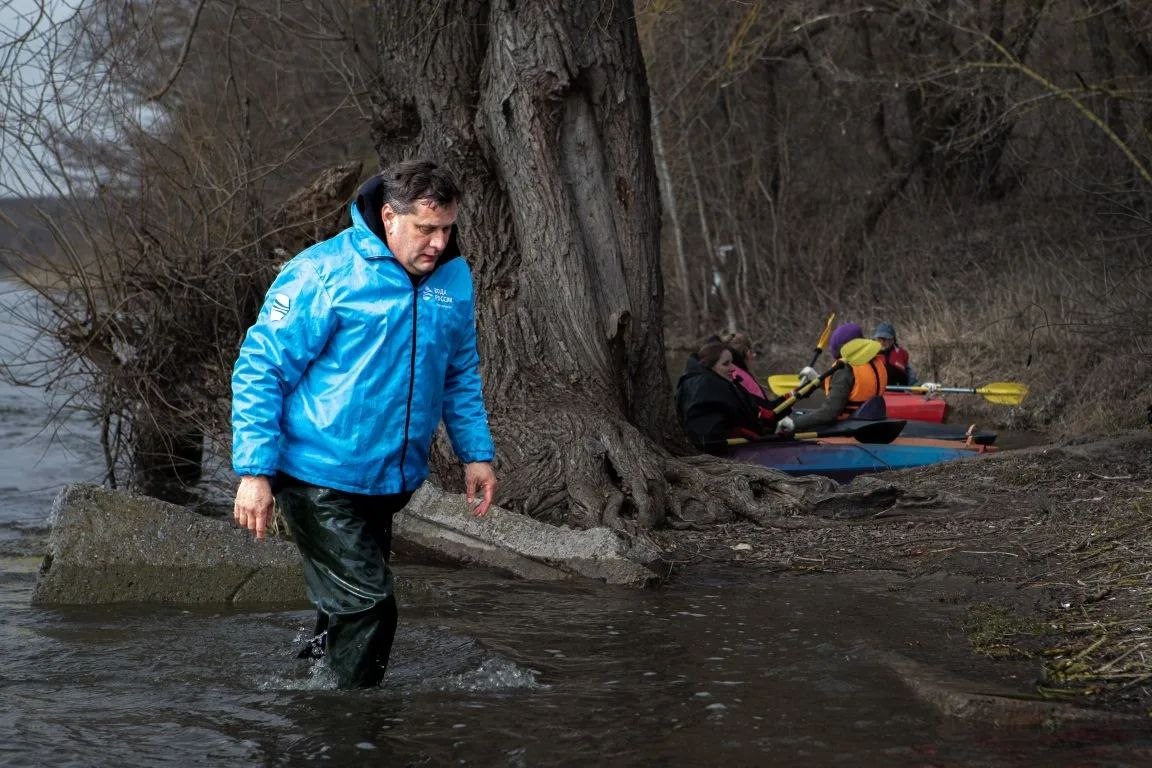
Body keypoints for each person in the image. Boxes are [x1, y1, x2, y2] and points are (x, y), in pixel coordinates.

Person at [230, 159, 497, 689]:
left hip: (387, 480)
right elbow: (261, 369)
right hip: (315, 476)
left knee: (343, 609)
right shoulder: (324, 271)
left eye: (446, 228)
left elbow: (459, 371)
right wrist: (255, 472)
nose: (439, 243)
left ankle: (305, 700)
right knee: (371, 607)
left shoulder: (453, 279)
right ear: (388, 216)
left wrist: (476, 453)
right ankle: (351, 730)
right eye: (426, 229)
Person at [675, 341, 792, 452]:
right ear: (709, 366)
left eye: (731, 363)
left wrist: (786, 401)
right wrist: (733, 432)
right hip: (733, 451)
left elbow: (755, 408)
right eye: (726, 364)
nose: (732, 368)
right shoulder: (705, 388)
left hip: (756, 438)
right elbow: (706, 435)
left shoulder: (726, 383)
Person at [792, 322, 887, 430]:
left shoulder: (845, 369)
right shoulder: (875, 361)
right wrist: (818, 379)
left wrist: (793, 425)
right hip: (869, 420)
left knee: (797, 416)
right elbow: (850, 387)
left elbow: (828, 414)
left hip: (847, 426)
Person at [720, 330, 767, 399]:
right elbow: (763, 405)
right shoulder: (741, 376)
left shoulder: (724, 372)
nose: (754, 356)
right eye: (752, 352)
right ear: (747, 352)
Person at [872, 321, 917, 386]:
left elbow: (910, 375)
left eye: (885, 339)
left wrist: (915, 386)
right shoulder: (870, 355)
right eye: (879, 339)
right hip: (877, 391)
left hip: (898, 391)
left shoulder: (901, 354)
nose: (882, 342)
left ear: (893, 340)